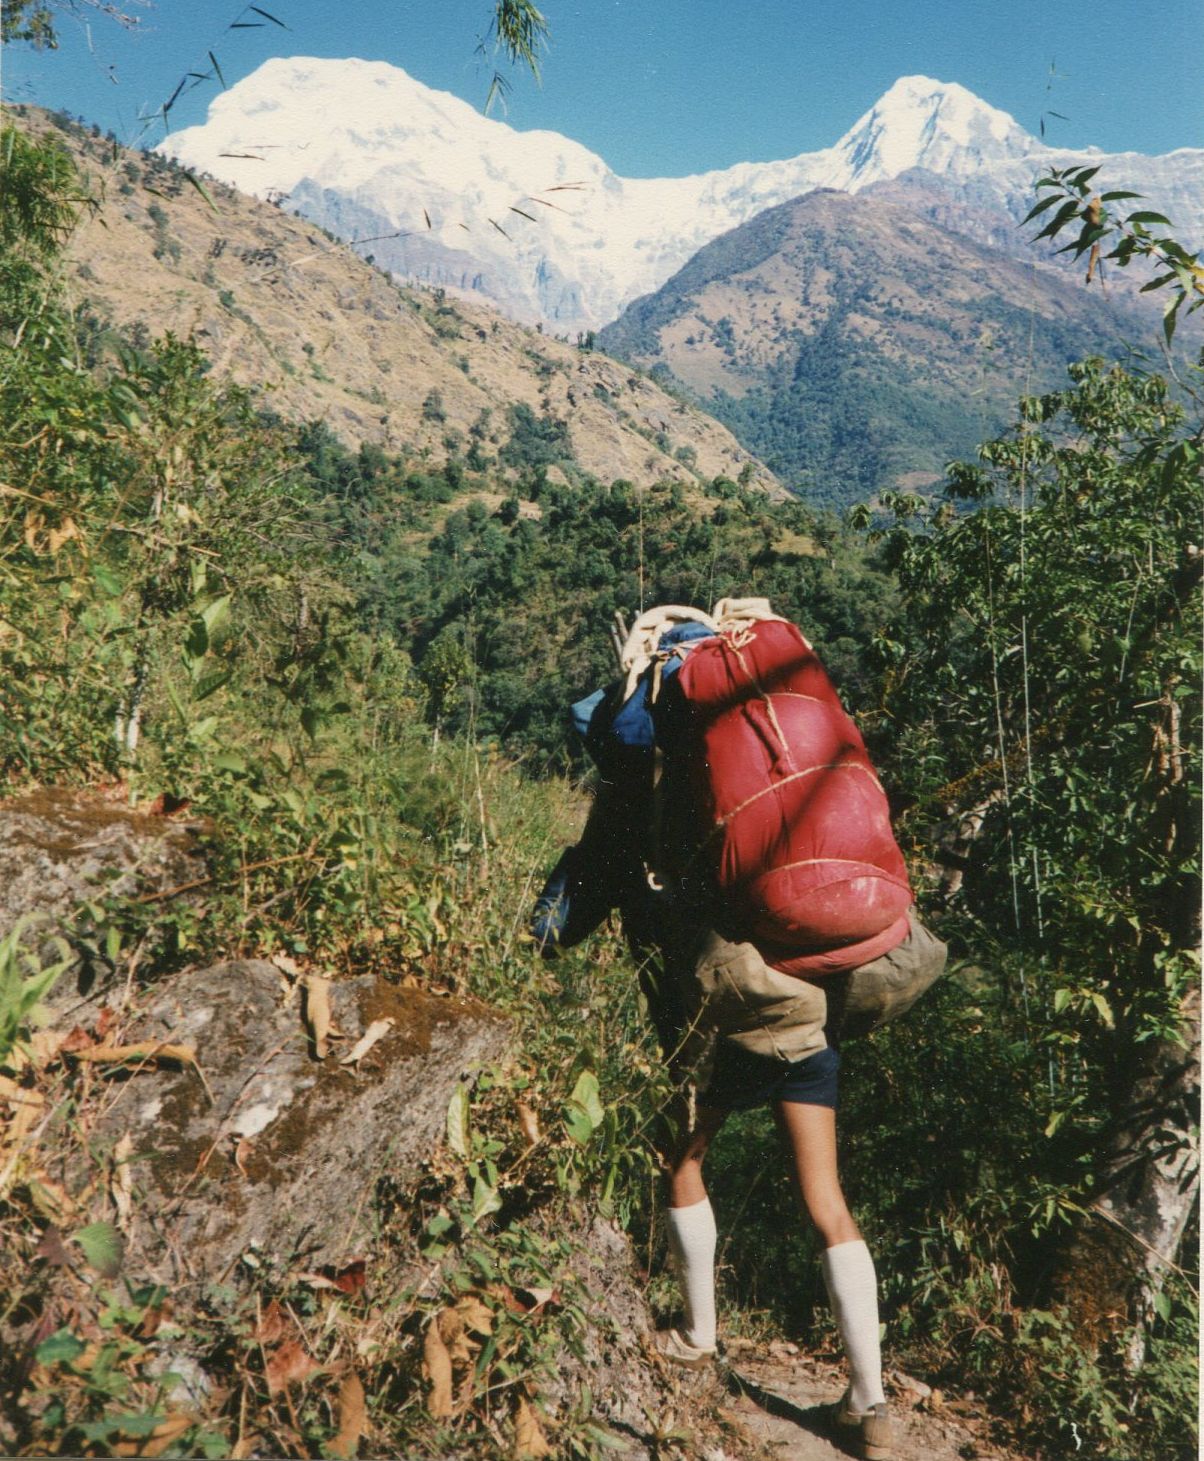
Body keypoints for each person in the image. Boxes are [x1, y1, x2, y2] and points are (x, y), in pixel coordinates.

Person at [532, 601, 947, 1461]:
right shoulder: (761, 757)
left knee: (682, 1157)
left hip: (713, 1005)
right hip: (809, 999)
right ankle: (871, 1405)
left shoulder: (651, 773)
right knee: (826, 1200)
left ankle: (699, 1332)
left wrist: (543, 938)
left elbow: (592, 880)